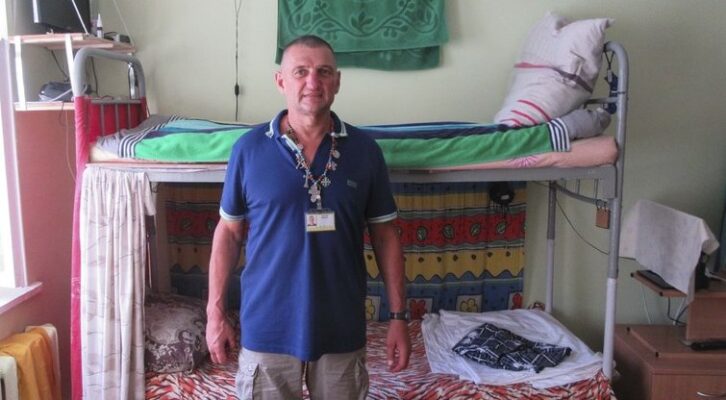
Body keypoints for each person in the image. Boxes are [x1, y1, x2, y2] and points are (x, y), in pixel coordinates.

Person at [205, 35, 410, 399]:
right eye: (300, 71)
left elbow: (386, 236)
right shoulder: (249, 150)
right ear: (280, 81)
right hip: (266, 330)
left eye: (324, 72)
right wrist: (214, 314)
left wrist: (398, 318)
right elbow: (229, 233)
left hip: (341, 330)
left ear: (337, 81)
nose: (313, 82)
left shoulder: (365, 151)